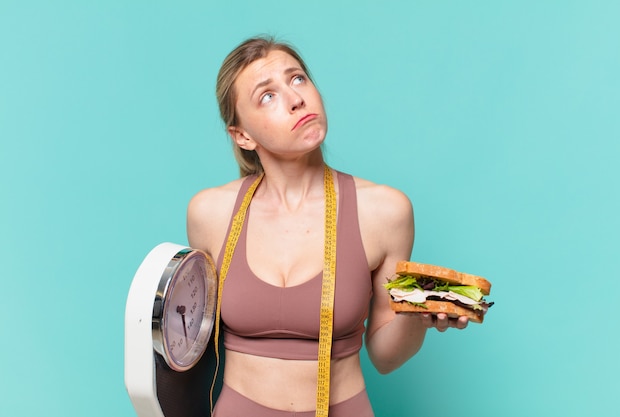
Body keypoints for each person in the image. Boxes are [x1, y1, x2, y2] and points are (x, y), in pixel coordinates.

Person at [186, 36, 469, 417]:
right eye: (267, 96)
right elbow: (188, 340)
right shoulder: (210, 213)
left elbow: (384, 357)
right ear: (242, 135)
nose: (295, 99)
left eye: (298, 79)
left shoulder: (384, 211)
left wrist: (418, 317)